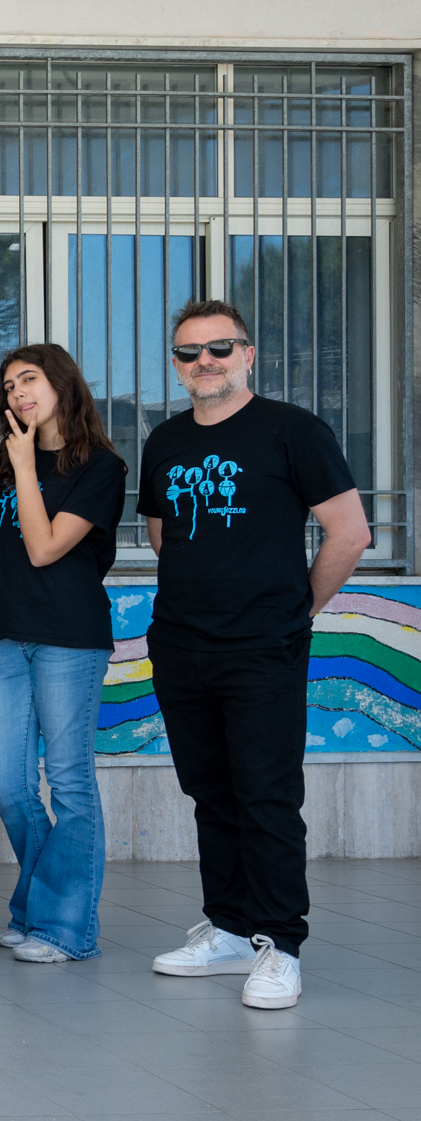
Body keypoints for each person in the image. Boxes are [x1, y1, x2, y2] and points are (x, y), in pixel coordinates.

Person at [139, 299, 368, 1012]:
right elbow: (163, 535)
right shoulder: (165, 440)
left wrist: (297, 610)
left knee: (266, 795)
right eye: (189, 352)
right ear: (176, 366)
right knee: (210, 791)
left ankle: (281, 944)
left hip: (264, 646)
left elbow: (350, 532)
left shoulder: (293, 430)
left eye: (219, 348)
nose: (204, 362)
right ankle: (232, 929)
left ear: (248, 354)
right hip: (181, 642)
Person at [0, 347, 127, 965]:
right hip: (3, 636)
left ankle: (65, 928)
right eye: (9, 386)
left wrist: (26, 465)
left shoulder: (100, 467)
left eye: (29, 380)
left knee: (68, 782)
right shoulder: (2, 466)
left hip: (67, 637)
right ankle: (38, 904)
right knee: (9, 786)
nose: (17, 394)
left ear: (62, 385)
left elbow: (44, 547)